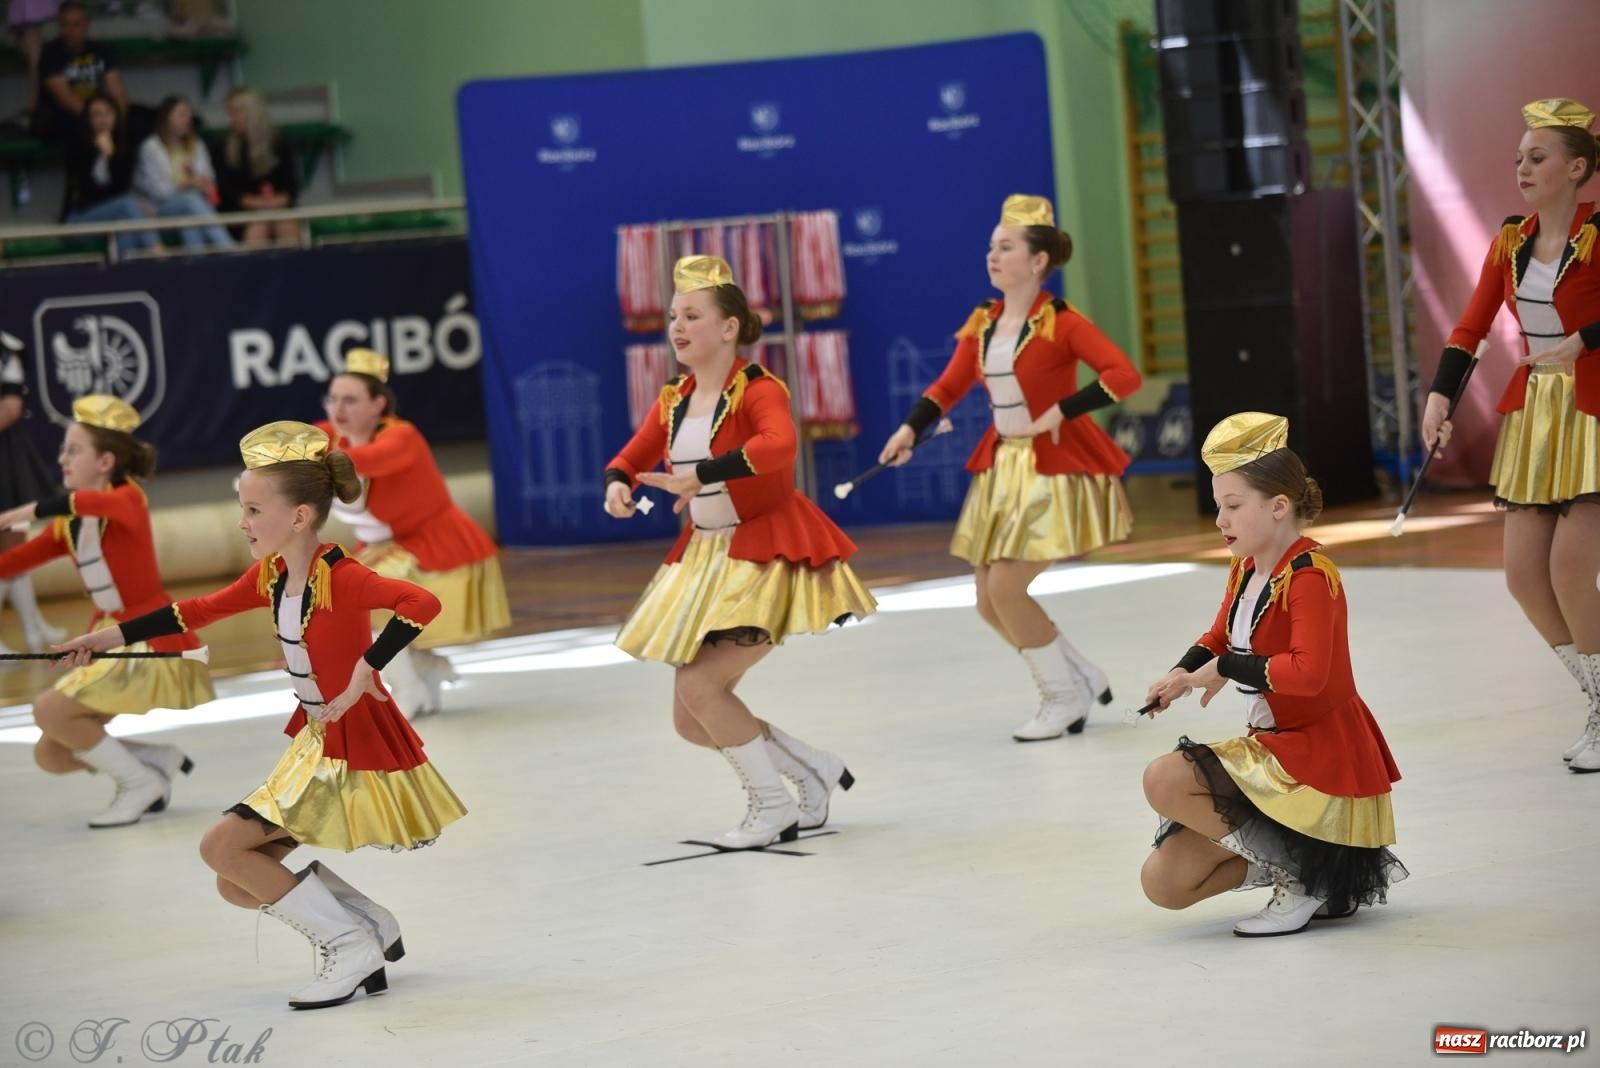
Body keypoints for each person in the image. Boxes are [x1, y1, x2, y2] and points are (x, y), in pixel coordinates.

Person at [58, 421, 467, 1010]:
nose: (242, 522)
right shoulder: (274, 575)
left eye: (252, 509)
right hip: (317, 740)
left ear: (299, 517)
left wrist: (365, 667)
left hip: (347, 744)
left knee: (221, 849)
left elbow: (420, 601)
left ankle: (350, 944)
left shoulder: (341, 577)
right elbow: (194, 610)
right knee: (236, 880)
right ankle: (364, 920)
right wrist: (105, 640)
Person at [603, 255, 874, 848]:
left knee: (702, 691)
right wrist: (618, 482)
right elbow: (635, 449)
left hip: (765, 555)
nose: (677, 327)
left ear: (729, 327)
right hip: (704, 559)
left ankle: (773, 807)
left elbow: (779, 446)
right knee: (690, 717)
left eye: (692, 315)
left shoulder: (759, 388)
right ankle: (811, 768)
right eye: (674, 315)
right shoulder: (674, 397)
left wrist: (701, 475)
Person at [877, 193, 1143, 741]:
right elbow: (949, 385)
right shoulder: (984, 323)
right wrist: (909, 428)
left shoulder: (1061, 321)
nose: (992, 256)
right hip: (1004, 466)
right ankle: (1077, 673)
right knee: (986, 600)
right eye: (991, 247)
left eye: (1005, 247)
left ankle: (1063, 697)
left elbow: (1123, 374)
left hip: (1053, 465)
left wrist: (1059, 413)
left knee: (1005, 588)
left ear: (1038, 260)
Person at [1139, 413, 1406, 937]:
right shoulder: (1246, 567)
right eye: (1219, 506)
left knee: (1163, 778)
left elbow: (1307, 675)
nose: (1220, 520)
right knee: (1165, 883)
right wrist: (1181, 673)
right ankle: (1314, 868)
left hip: (1318, 753)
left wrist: (1224, 669)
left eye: (1233, 506)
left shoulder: (1309, 576)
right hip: (1274, 746)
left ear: (1279, 506)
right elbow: (1220, 635)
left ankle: (1303, 876)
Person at [1422, 98, 1600, 772]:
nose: (1522, 167)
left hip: (1594, 410)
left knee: (1571, 564)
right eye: (1519, 157)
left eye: (1538, 157)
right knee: (1525, 576)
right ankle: (1599, 696)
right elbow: (1469, 326)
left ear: (1576, 167)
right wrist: (1440, 394)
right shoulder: (1509, 241)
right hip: (1536, 415)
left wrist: (1583, 340)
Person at [0, 395, 213, 828]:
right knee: (52, 753)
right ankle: (153, 761)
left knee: (49, 710)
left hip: (147, 634)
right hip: (103, 634)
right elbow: (11, 563)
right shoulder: (70, 523)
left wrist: (20, 512)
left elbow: (87, 504)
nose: (61, 459)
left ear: (105, 462)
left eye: (73, 450)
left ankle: (139, 784)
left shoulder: (127, 501)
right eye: (63, 450)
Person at [317, 349, 510, 718]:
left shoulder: (401, 437)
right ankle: (425, 668)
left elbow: (366, 461)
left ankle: (409, 687)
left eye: (350, 400)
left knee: (362, 602)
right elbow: (304, 440)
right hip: (383, 548)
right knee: (341, 603)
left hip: (432, 547)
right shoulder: (329, 437)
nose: (338, 409)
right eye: (333, 399)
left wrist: (302, 458)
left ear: (377, 405)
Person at [0, 331, 66, 651]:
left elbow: (11, 409)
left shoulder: (7, 347)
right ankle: (32, 629)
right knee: (11, 552)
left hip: (7, 462)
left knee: (15, 549)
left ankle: (32, 628)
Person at [62, 91, 160, 256]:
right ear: (88, 120)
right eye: (96, 115)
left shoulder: (124, 148)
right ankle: (158, 250)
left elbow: (120, 188)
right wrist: (103, 157)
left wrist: (112, 157)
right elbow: (89, 193)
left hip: (113, 217)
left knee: (125, 222)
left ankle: (126, 272)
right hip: (79, 219)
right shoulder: (79, 149)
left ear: (116, 116)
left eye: (107, 113)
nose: (103, 119)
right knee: (127, 204)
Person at [132, 94, 234, 250]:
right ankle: (230, 248)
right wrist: (186, 184)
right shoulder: (151, 147)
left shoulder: (197, 144)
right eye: (181, 114)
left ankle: (196, 265)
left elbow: (209, 179)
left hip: (194, 207)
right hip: (160, 210)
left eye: (188, 114)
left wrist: (201, 181)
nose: (187, 119)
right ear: (167, 118)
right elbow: (158, 192)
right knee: (191, 200)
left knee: (191, 218)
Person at [31, 1, 126, 144]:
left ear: (87, 25)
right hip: (60, 118)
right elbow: (67, 99)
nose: (70, 31)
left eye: (76, 25)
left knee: (140, 120)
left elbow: (118, 92)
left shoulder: (101, 51)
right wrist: (99, 120)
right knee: (78, 128)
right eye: (65, 25)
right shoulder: (51, 54)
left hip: (98, 113)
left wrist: (117, 119)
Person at [216, 87, 299, 246]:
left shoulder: (279, 143)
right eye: (230, 114)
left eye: (236, 113)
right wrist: (258, 204)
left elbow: (291, 188)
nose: (231, 119)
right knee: (258, 229)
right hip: (242, 214)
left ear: (251, 114)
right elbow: (228, 192)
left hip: (277, 208)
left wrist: (272, 204)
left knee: (286, 226)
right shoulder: (223, 147)